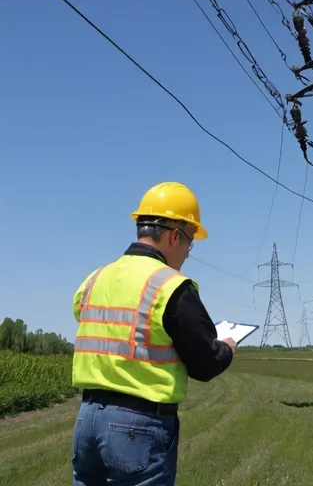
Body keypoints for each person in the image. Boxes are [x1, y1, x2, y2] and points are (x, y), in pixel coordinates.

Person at [70, 181, 236, 486]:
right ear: (175, 236)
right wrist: (227, 347)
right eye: (189, 242)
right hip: (137, 426)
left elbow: (89, 317)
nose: (187, 253)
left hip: (87, 420)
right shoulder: (171, 285)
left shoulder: (94, 279)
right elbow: (205, 363)